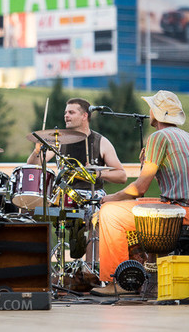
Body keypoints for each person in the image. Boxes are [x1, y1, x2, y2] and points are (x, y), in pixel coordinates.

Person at [93, 90, 189, 295]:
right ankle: (138, 267)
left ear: (156, 113)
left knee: (110, 213)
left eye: (151, 107)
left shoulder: (158, 137)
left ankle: (118, 281)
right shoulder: (188, 137)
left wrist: (109, 198)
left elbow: (139, 188)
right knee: (129, 206)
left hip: (177, 210)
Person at [27, 98, 127, 264]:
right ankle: (39, 267)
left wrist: (98, 175)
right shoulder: (58, 141)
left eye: (71, 112)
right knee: (30, 211)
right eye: (65, 112)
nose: (66, 115)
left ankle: (89, 270)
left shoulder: (100, 141)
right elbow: (33, 166)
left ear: (84, 116)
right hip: (63, 197)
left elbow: (122, 175)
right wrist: (36, 150)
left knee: (96, 217)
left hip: (93, 196)